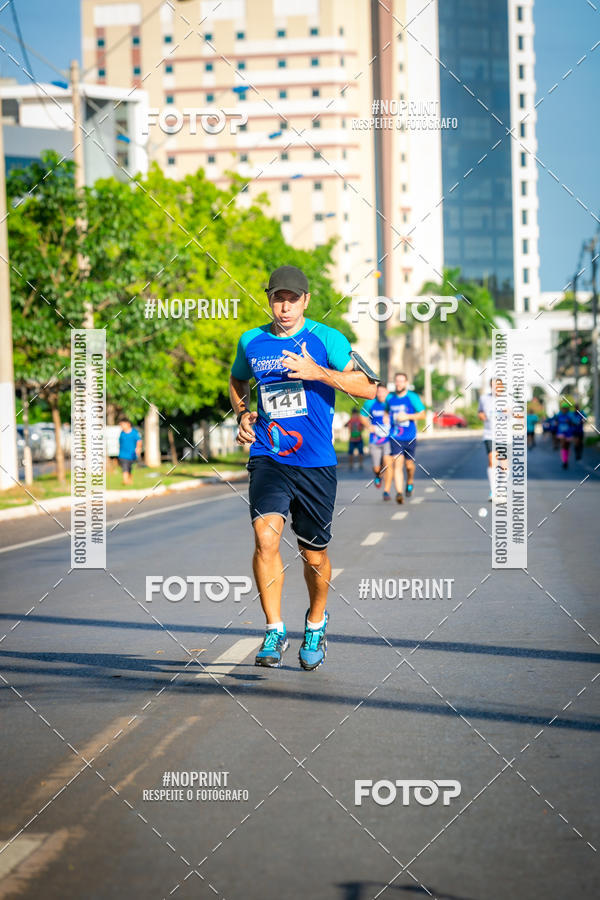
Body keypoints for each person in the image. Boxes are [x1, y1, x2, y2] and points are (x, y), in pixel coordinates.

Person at [229, 265, 376, 670]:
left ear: (306, 301)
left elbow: (368, 386)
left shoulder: (328, 339)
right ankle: (274, 629)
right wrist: (242, 412)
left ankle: (315, 622)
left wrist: (318, 373)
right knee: (265, 537)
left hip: (315, 463)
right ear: (269, 298)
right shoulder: (251, 341)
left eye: (293, 298)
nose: (285, 306)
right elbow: (237, 380)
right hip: (268, 455)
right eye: (278, 297)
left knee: (314, 556)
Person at [383, 373, 425, 503]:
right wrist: (385, 417)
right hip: (395, 436)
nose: (399, 384)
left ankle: (410, 480)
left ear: (406, 383)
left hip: (410, 436)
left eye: (401, 381)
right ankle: (399, 493)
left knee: (409, 466)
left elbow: (422, 414)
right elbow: (386, 410)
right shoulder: (390, 397)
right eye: (397, 381)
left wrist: (407, 416)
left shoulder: (412, 397)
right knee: (398, 463)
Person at [478, 378, 505, 501]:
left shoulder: (508, 400)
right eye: (493, 386)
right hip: (490, 434)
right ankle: (493, 492)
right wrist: (482, 416)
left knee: (503, 464)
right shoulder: (484, 398)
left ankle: (501, 489)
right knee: (492, 460)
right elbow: (480, 412)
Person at [360, 383, 391, 488]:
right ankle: (378, 475)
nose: (381, 394)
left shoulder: (392, 402)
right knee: (377, 467)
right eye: (379, 392)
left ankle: (386, 491)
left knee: (387, 463)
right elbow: (362, 416)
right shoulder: (370, 403)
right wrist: (369, 426)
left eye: (383, 392)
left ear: (387, 392)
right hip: (375, 438)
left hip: (389, 439)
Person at [117, 418, 142, 485]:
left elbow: (139, 441)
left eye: (123, 424)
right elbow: (120, 442)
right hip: (122, 454)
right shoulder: (122, 433)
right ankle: (125, 480)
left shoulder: (134, 432)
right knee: (124, 467)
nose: (122, 426)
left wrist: (138, 448)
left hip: (131, 454)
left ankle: (129, 480)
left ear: (128, 424)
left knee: (129, 468)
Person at [555, 403, 575, 469]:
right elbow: (556, 422)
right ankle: (564, 461)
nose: (564, 410)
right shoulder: (559, 415)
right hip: (561, 432)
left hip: (569, 433)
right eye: (563, 408)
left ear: (568, 409)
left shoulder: (570, 415)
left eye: (565, 408)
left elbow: (574, 423)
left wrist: (569, 422)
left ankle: (566, 460)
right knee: (563, 445)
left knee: (567, 447)